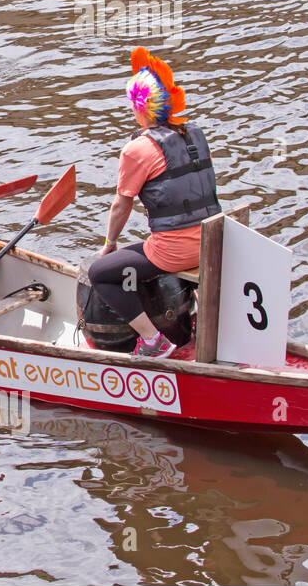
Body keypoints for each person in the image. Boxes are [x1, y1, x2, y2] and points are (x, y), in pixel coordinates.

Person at [88, 48, 221, 359]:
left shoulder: (137, 149)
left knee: (100, 273)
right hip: (215, 241)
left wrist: (109, 243)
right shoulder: (196, 133)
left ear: (139, 109)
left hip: (176, 252)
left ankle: (153, 341)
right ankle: (201, 315)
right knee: (145, 249)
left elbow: (121, 207)